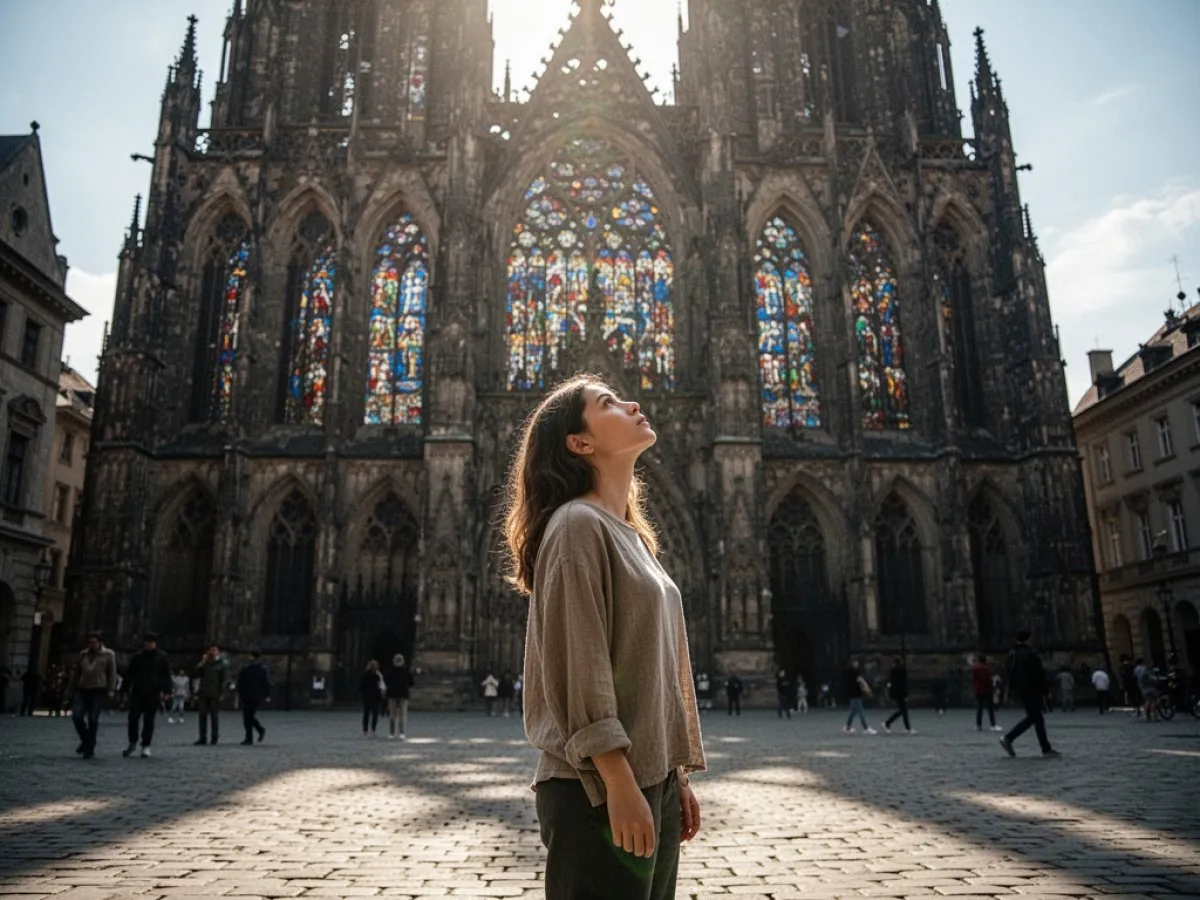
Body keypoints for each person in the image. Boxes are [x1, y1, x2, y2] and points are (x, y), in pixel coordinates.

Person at [503, 375, 705, 898]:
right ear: (580, 442)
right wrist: (619, 781)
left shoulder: (631, 535)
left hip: (648, 780)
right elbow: (580, 665)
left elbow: (651, 666)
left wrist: (674, 775)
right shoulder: (575, 527)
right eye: (608, 403)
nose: (633, 403)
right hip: (596, 786)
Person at [999, 630, 1059, 758]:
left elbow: (1009, 672)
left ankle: (1045, 747)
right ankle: (1009, 738)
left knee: (1036, 718)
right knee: (1035, 717)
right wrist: (1046, 691)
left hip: (1021, 690)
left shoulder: (1012, 653)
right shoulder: (1030, 654)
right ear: (1028, 639)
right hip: (1032, 689)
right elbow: (1039, 674)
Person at [120, 632, 172, 758]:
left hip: (153, 692)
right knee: (133, 718)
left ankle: (146, 745)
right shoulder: (137, 656)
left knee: (149, 721)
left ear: (155, 643)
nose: (148, 644)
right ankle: (133, 741)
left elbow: (166, 675)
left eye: (151, 642)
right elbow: (129, 675)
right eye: (147, 642)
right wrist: (124, 690)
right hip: (138, 691)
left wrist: (167, 691)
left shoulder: (162, 657)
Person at [68, 632, 117, 759]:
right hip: (82, 688)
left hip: (99, 689)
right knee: (77, 716)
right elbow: (76, 674)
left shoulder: (108, 654)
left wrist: (112, 689)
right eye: (90, 642)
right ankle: (87, 741)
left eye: (94, 642)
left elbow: (112, 673)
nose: (92, 645)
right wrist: (70, 690)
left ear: (100, 642)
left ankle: (89, 748)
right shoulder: (83, 654)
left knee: (93, 719)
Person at [193, 644, 229, 745]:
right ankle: (202, 737)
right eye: (211, 650)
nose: (212, 652)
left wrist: (222, 693)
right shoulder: (205, 663)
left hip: (215, 694)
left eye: (215, 650)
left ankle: (214, 737)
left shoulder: (223, 664)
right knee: (202, 716)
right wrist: (202, 662)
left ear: (218, 652)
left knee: (214, 716)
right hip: (203, 693)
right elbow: (196, 673)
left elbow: (224, 680)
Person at [236, 651, 271, 744]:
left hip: (251, 694)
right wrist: (266, 695)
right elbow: (266, 682)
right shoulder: (261, 668)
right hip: (254, 694)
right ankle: (258, 731)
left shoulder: (248, 668)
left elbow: (240, 681)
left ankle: (250, 737)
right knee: (249, 716)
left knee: (248, 716)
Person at [384, 653, 414, 740]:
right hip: (403, 694)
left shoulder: (390, 671)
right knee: (403, 715)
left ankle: (391, 733)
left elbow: (386, 681)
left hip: (392, 694)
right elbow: (411, 682)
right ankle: (402, 733)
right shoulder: (406, 671)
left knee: (392, 715)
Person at [842, 660, 876, 734]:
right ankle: (865, 727)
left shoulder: (847, 673)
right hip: (856, 694)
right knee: (860, 711)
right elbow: (861, 681)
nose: (857, 664)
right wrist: (867, 690)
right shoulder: (855, 673)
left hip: (851, 694)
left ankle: (848, 726)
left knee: (853, 711)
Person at [883, 657, 914, 734]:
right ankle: (906, 727)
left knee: (902, 711)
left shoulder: (893, 672)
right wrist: (906, 694)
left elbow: (890, 682)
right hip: (901, 693)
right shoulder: (902, 671)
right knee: (903, 711)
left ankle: (889, 723)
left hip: (896, 693)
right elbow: (904, 684)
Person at [971, 654, 1000, 732]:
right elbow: (987, 680)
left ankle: (978, 725)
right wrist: (993, 684)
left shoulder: (975, 668)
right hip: (986, 690)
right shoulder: (985, 668)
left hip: (978, 690)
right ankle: (993, 724)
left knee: (979, 708)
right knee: (990, 708)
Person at [358, 659, 384, 737]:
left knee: (366, 714)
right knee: (375, 714)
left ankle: (365, 730)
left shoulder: (365, 674)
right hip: (375, 697)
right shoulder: (378, 675)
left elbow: (361, 686)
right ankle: (373, 730)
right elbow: (381, 686)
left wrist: (362, 694)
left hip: (366, 696)